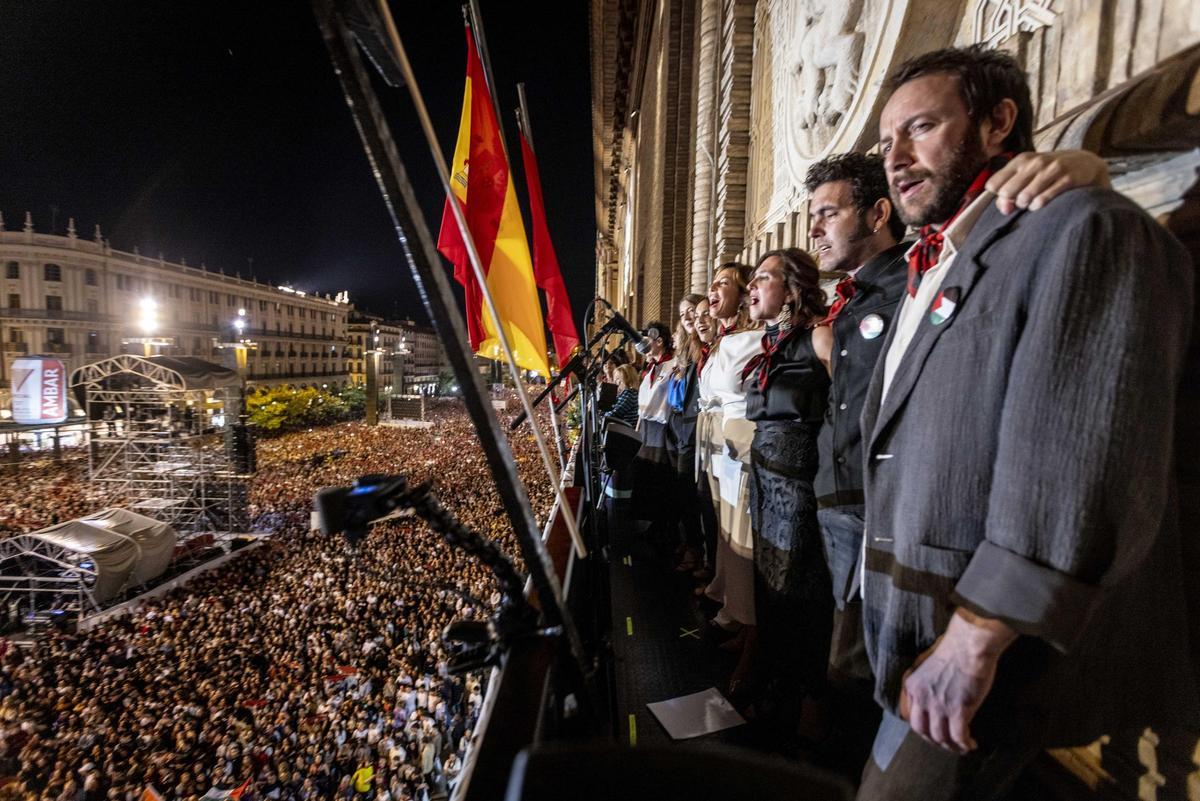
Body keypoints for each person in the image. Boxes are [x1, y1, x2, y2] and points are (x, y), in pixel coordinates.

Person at [855, 45, 1198, 800]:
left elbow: (1081, 454)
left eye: (921, 128)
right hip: (915, 638)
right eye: (885, 144)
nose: (897, 158)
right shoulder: (940, 259)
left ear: (998, 122)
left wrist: (977, 635)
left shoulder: (1084, 228)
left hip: (1001, 668)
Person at [741, 248, 832, 736]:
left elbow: (851, 407)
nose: (751, 287)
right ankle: (774, 689)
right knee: (769, 590)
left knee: (799, 594)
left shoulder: (820, 335)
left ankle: (810, 705)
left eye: (762, 278)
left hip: (798, 485)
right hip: (763, 479)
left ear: (791, 285)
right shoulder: (769, 341)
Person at [695, 264, 762, 685]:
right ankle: (739, 617)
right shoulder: (726, 340)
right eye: (713, 283)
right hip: (722, 444)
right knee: (729, 539)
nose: (713, 291)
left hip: (741, 443)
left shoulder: (753, 339)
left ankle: (754, 639)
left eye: (723, 284)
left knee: (745, 543)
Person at [666, 294, 706, 572]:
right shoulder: (686, 353)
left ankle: (697, 551)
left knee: (694, 495)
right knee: (682, 491)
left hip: (698, 429)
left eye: (692, 310)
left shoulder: (704, 347)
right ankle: (689, 542)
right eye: (683, 314)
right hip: (681, 428)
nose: (688, 317)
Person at [630, 322, 676, 541]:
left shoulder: (673, 364)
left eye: (648, 339)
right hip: (646, 428)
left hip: (661, 427)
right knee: (645, 476)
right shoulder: (650, 367)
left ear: (659, 340)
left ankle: (661, 530)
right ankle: (646, 528)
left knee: (658, 480)